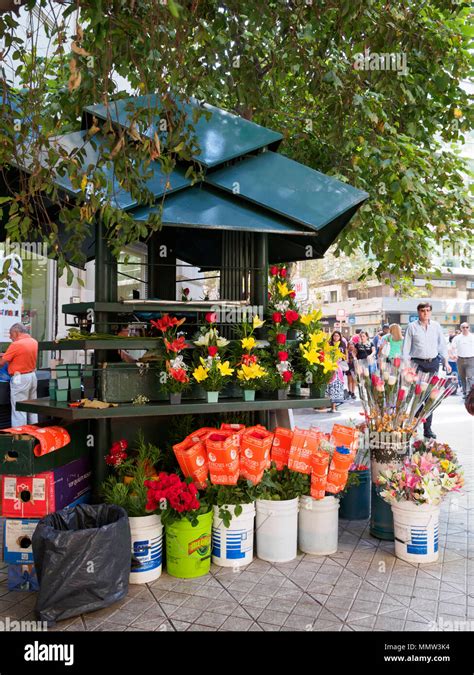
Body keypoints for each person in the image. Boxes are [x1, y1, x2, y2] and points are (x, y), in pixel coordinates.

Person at [402, 302, 451, 439]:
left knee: (430, 398)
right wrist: (408, 368)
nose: (425, 313)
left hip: (433, 364)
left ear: (430, 312)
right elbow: (405, 349)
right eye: (422, 310)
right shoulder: (411, 327)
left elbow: (442, 345)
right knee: (418, 397)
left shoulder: (436, 326)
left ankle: (427, 429)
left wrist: (446, 361)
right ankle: (414, 427)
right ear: (418, 312)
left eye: (428, 310)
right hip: (417, 364)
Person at [0, 323, 38, 426]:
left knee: (19, 409)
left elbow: (1, 363)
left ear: (16, 333)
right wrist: (6, 355)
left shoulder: (16, 344)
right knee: (32, 407)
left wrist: (3, 357)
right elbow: (22, 355)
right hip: (32, 376)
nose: (10, 337)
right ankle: (34, 431)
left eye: (11, 334)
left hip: (19, 378)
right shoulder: (33, 342)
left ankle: (19, 437)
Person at [325, 331, 346, 413]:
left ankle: (334, 406)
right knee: (330, 386)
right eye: (334, 335)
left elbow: (345, 355)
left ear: (340, 336)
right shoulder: (329, 344)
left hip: (339, 368)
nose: (336, 337)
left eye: (337, 336)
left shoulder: (342, 344)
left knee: (336, 387)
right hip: (330, 366)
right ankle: (331, 406)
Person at [452, 323, 474, 399]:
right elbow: (452, 348)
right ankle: (465, 392)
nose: (465, 329)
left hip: (471, 359)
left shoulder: (472, 337)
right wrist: (454, 355)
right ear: (461, 328)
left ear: (469, 328)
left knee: (470, 377)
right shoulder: (457, 338)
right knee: (462, 377)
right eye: (463, 327)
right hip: (460, 359)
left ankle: (470, 394)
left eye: (467, 327)